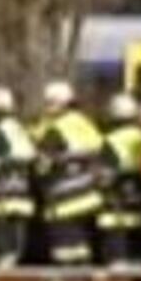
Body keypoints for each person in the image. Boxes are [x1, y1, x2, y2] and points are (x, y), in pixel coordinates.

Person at [34, 80, 105, 266]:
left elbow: (42, 166)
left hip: (65, 200)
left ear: (60, 103)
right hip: (89, 196)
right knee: (82, 248)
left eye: (50, 103)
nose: (47, 108)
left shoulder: (55, 130)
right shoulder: (86, 123)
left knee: (64, 252)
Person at [0, 86, 36, 268]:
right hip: (21, 189)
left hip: (2, 191)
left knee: (1, 232)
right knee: (17, 232)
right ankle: (12, 256)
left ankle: (3, 257)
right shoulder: (19, 128)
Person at [97, 93, 141, 269]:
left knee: (114, 222)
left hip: (117, 189)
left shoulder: (111, 139)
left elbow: (104, 171)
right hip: (140, 186)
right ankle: (138, 258)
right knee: (137, 221)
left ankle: (118, 259)